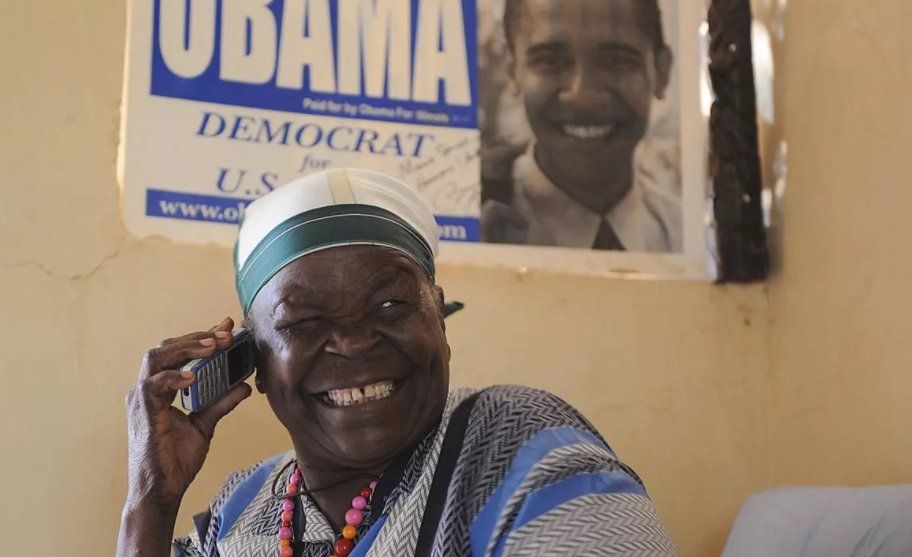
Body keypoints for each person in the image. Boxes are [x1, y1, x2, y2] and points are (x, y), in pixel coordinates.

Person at [117, 169, 676, 556]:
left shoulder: (511, 447)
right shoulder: (245, 506)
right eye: (303, 321)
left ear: (439, 321)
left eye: (390, 305)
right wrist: (151, 500)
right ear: (255, 360)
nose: (355, 343)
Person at [481, 0, 682, 252]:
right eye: (550, 61)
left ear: (661, 71)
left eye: (616, 61)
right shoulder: (476, 227)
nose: (583, 97)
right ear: (513, 70)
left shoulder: (686, 238)